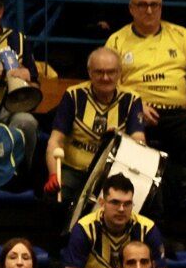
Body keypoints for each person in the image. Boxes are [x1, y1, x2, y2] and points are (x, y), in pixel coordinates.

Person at [107, 0, 186, 196]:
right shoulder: (117, 40)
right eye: (142, 5)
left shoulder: (180, 34)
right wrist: (134, 103)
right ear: (131, 9)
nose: (149, 10)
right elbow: (107, 81)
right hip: (137, 113)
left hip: (176, 114)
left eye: (154, 5)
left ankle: (175, 180)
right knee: (132, 148)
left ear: (161, 7)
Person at [43, 47, 147, 212]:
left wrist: (119, 137)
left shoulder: (132, 99)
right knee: (54, 198)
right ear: (90, 72)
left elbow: (139, 141)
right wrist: (54, 174)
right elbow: (55, 140)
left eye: (111, 72)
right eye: (99, 72)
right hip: (74, 170)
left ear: (119, 73)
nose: (105, 78)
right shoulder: (73, 95)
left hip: (111, 174)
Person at [63, 174, 170, 268]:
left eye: (127, 204)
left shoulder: (147, 229)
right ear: (102, 203)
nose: (121, 209)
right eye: (115, 202)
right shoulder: (84, 230)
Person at [0, 0, 37, 152]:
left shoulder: (17, 39)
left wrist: (25, 77)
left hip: (11, 107)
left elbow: (35, 83)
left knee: (27, 122)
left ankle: (21, 167)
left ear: (2, 11)